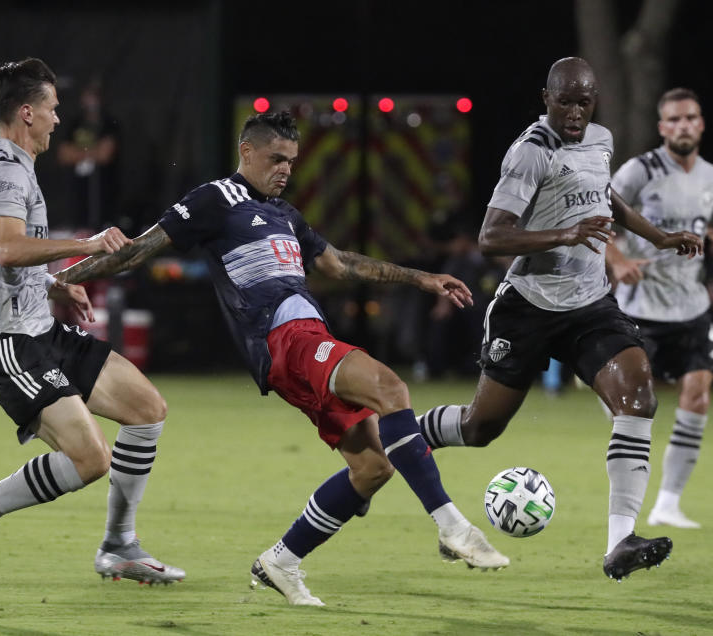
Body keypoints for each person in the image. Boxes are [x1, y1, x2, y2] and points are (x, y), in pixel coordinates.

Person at [56, 110, 509, 606]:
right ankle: (452, 526)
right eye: (276, 159)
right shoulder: (214, 199)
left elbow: (340, 263)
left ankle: (283, 560)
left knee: (373, 468)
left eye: (291, 161)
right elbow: (138, 251)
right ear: (246, 152)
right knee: (390, 389)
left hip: (305, 338)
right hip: (282, 338)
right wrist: (63, 280)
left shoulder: (286, 214)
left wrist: (420, 278)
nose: (285, 169)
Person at [412, 58, 703, 581]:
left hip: (588, 304)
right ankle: (405, 437)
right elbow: (492, 236)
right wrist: (564, 235)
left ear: (595, 102)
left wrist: (657, 237)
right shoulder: (530, 152)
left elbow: (603, 194)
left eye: (583, 101)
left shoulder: (599, 139)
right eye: (564, 100)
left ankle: (620, 543)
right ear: (546, 97)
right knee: (481, 429)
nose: (574, 111)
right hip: (527, 305)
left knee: (638, 399)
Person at [0, 58, 184, 594]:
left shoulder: (9, 164)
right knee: (90, 459)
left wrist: (52, 285)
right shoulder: (5, 167)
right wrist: (88, 245)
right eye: (51, 108)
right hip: (8, 340)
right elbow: (7, 248)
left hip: (39, 326)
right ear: (26, 112)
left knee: (146, 411)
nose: (57, 118)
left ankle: (120, 545)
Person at [605, 87, 713, 529]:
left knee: (698, 394)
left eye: (691, 117)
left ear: (701, 123)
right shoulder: (640, 171)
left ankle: (668, 502)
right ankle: (632, 488)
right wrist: (618, 261)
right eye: (675, 119)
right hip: (641, 309)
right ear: (662, 127)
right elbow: (598, 216)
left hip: (691, 308)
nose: (684, 125)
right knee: (631, 406)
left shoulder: (709, 176)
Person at [56, 78, 120, 230]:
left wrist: (78, 153)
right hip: (77, 190)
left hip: (103, 191)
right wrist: (92, 153)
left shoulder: (109, 123)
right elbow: (63, 154)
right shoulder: (75, 123)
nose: (92, 100)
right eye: (89, 95)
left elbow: (105, 155)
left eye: (96, 96)